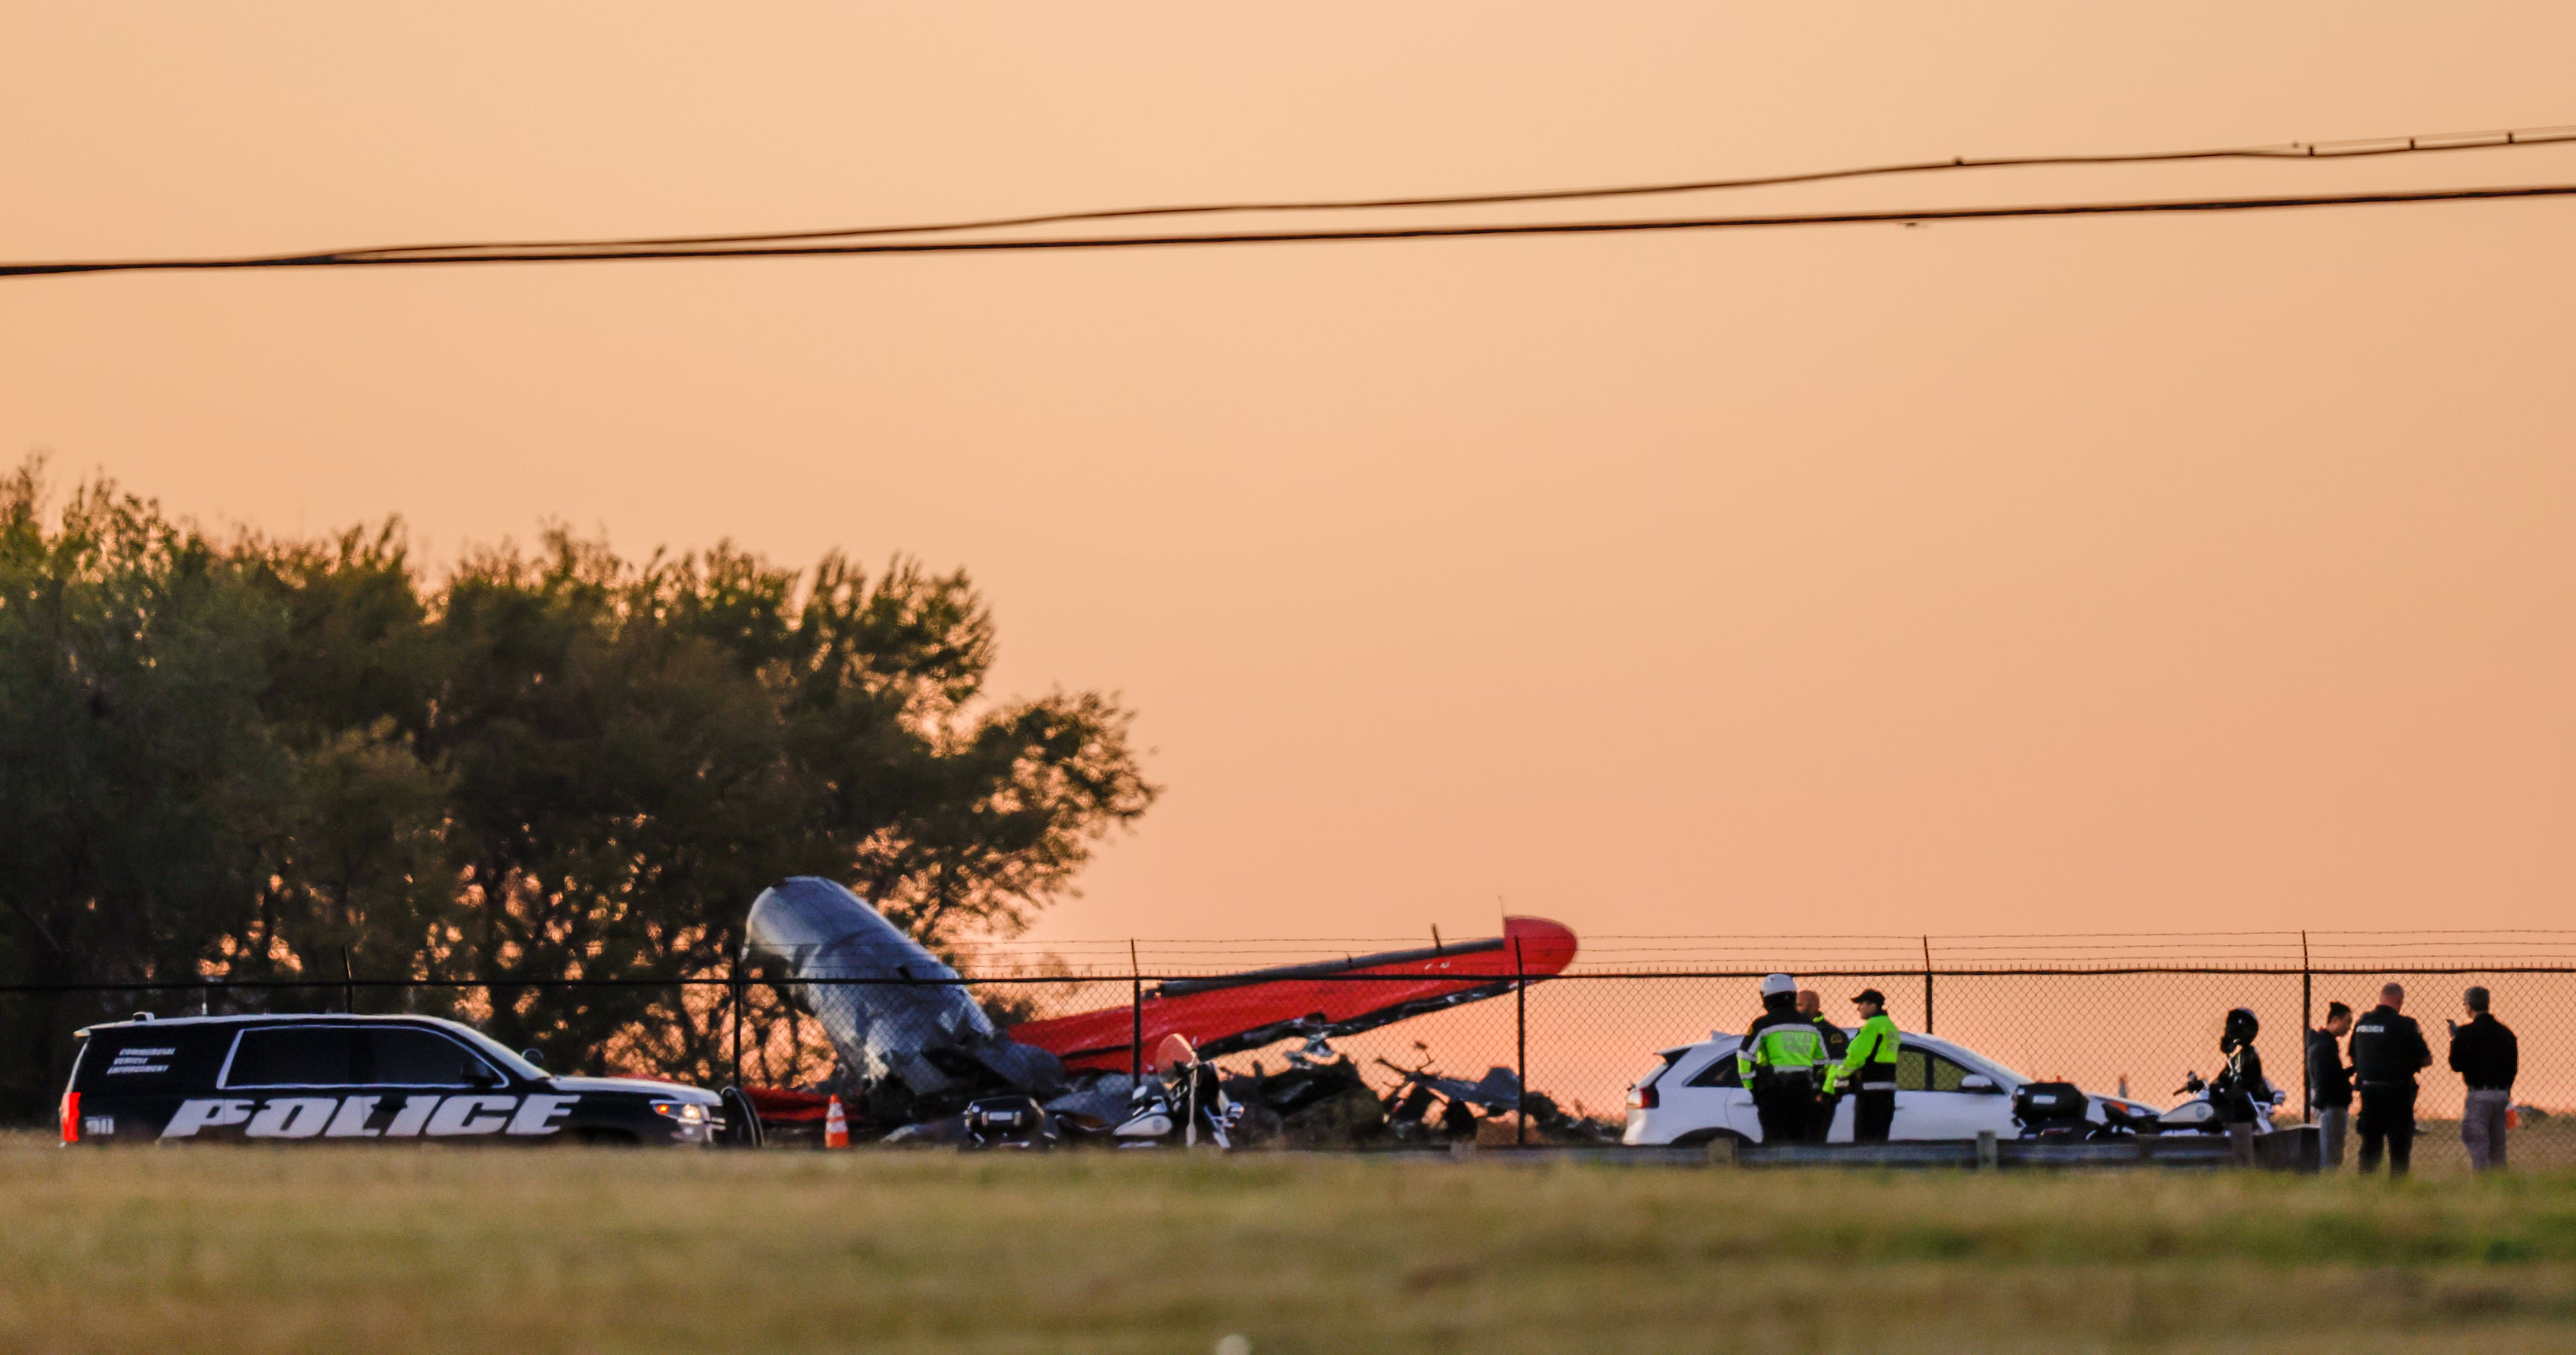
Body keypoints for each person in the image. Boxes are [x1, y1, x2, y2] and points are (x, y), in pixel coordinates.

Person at [1737, 973, 1833, 1144]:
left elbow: (1745, 1056)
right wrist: (1815, 1084)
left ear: (1767, 998)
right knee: (1800, 1138)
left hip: (1773, 1091)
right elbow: (1822, 1060)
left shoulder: (1764, 1023)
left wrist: (1752, 1086)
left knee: (1774, 1139)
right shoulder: (1809, 1024)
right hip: (1803, 1090)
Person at [2349, 983, 2431, 1175]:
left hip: (2369, 1091)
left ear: (2381, 997)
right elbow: (2426, 1059)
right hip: (2397, 1092)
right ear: (2400, 1000)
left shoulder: (2363, 1023)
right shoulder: (2406, 1025)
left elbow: (2354, 1055)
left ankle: (2366, 1184)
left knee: (2370, 1142)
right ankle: (2398, 1185)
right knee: (2399, 1144)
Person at [2448, 986, 2519, 1172]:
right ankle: (2499, 1185)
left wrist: (2455, 1040)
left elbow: (2456, 1064)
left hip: (2479, 1094)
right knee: (2497, 1147)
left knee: (2476, 1140)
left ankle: (2482, 1183)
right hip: (2502, 1095)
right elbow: (2513, 1067)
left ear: (2469, 1006)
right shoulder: (2506, 1033)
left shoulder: (2465, 1033)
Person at [1826, 988, 1903, 1143]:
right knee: (1880, 1139)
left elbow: (1855, 1058)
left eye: (1861, 1004)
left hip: (1869, 1090)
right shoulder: (1890, 1027)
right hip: (1887, 1090)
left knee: (1864, 1141)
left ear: (1873, 1006)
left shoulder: (1872, 1026)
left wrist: (1834, 1081)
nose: (1858, 1008)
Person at [1797, 989, 1852, 1141]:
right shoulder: (1793, 1031)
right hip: (1798, 1093)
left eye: (1800, 1005)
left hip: (1818, 1097)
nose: (1796, 1009)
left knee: (1814, 1140)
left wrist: (1825, 1095)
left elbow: (1839, 1067)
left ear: (1814, 1006)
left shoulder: (1831, 1034)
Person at [2306, 1002, 2354, 1169]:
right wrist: (2346, 1088)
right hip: (2331, 1105)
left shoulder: (2322, 1044)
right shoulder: (2324, 1046)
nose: (2349, 1027)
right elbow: (2327, 1079)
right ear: (2335, 1020)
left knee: (2329, 1150)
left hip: (2326, 1104)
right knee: (2332, 1155)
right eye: (2347, 1022)